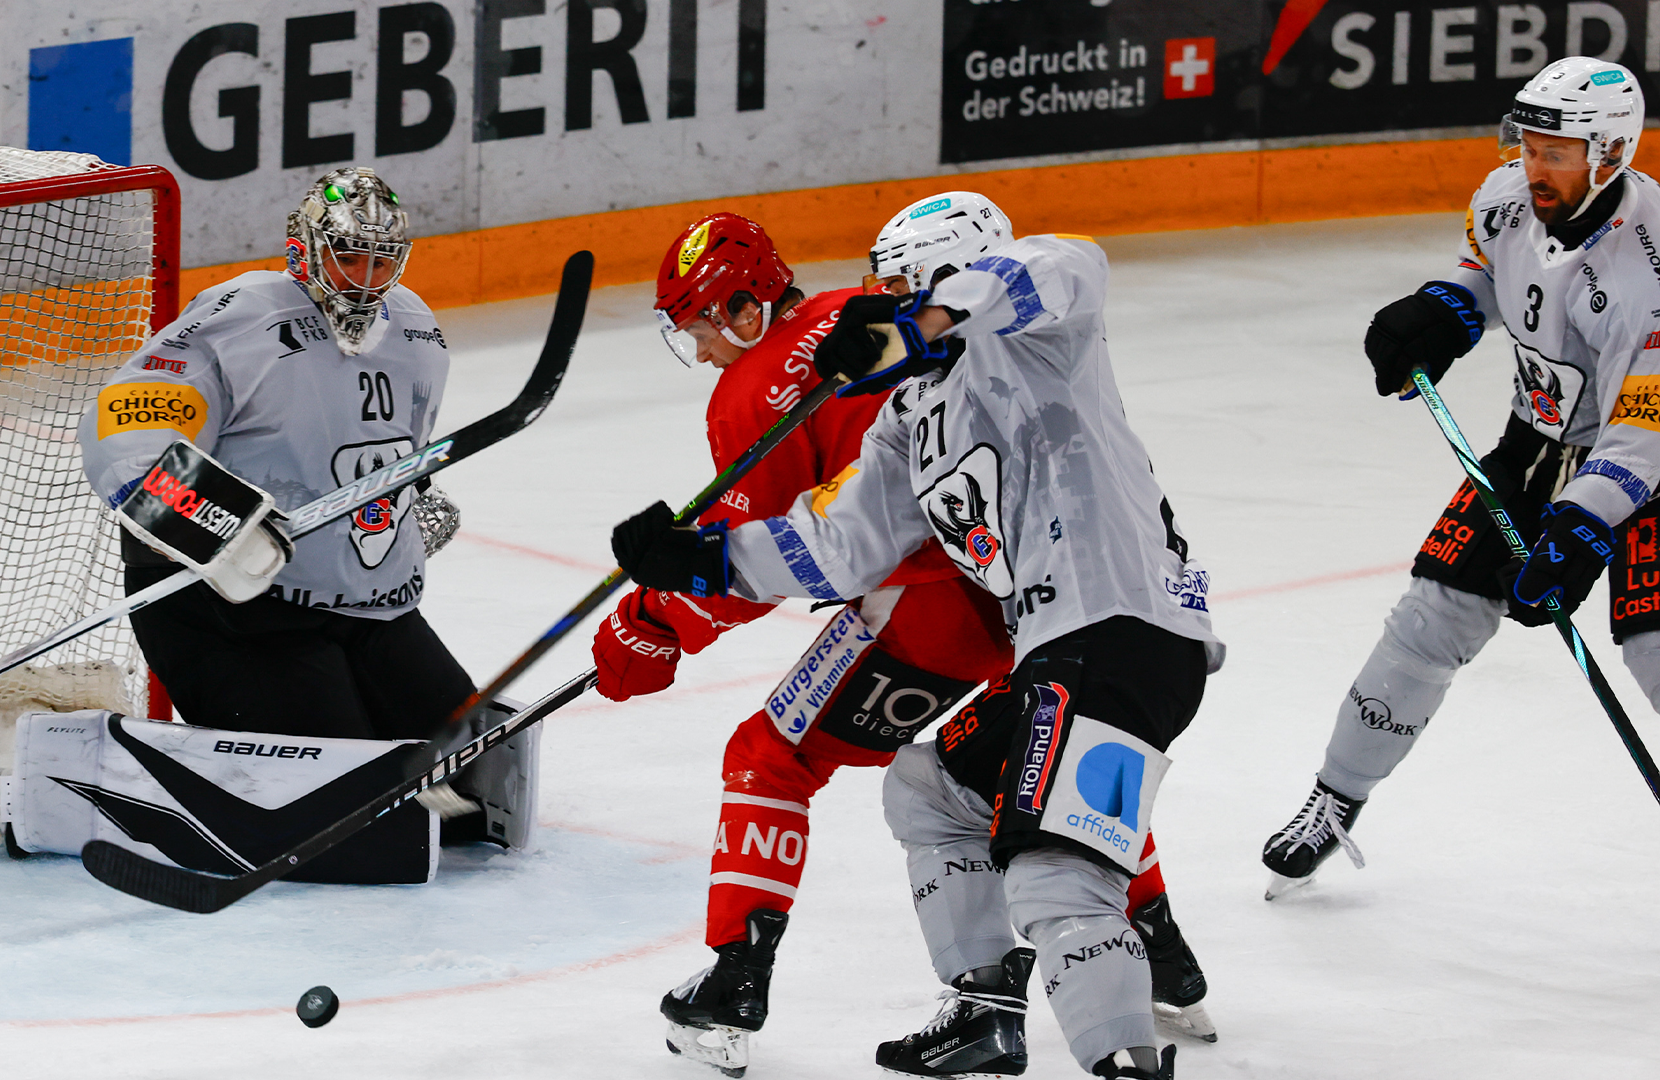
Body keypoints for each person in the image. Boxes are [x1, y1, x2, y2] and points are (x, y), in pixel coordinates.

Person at [611, 213, 1222, 1079]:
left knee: (1053, 869)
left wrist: (918, 324)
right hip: (1054, 649)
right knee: (932, 790)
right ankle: (983, 1005)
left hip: (1111, 625)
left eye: (902, 290)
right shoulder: (910, 410)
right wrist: (704, 560)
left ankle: (1125, 1060)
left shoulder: (1045, 337)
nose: (887, 306)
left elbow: (1057, 264)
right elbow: (840, 543)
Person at [0, 168, 535, 881]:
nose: (365, 277)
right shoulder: (241, 318)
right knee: (357, 817)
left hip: (363, 612)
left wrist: (406, 505)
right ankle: (56, 792)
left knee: (479, 777)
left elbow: (382, 454)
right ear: (305, 251)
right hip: (227, 609)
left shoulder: (418, 331)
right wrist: (216, 522)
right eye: (347, 256)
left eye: (381, 260)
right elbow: (126, 427)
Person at [1260, 56, 1660, 899]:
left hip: (1646, 465)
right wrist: (1443, 310)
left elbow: (1644, 429)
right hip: (1534, 445)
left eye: (1558, 152)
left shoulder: (1651, 267)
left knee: (1658, 648)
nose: (1534, 165)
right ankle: (1335, 801)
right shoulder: (1506, 196)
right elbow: (1483, 273)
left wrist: (1584, 527)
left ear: (1613, 153)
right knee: (1427, 621)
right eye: (1530, 144)